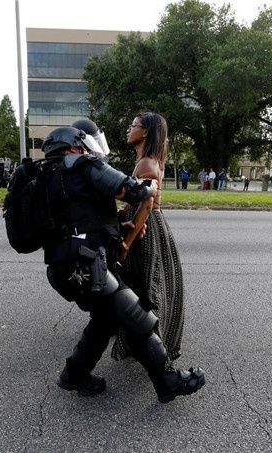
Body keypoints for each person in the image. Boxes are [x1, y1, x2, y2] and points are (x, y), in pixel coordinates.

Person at [40, 126, 205, 403]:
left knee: (105, 320)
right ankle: (167, 381)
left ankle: (74, 375)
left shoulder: (49, 175)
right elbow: (132, 189)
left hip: (62, 269)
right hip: (88, 266)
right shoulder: (82, 166)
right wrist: (151, 186)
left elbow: (78, 217)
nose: (87, 148)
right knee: (136, 317)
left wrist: (117, 224)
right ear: (74, 145)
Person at [112, 111, 186, 363]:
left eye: (133, 125)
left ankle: (150, 345)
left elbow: (145, 206)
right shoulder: (147, 160)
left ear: (145, 132)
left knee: (144, 285)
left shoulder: (146, 163)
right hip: (146, 222)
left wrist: (126, 243)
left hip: (148, 227)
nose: (128, 129)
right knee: (144, 283)